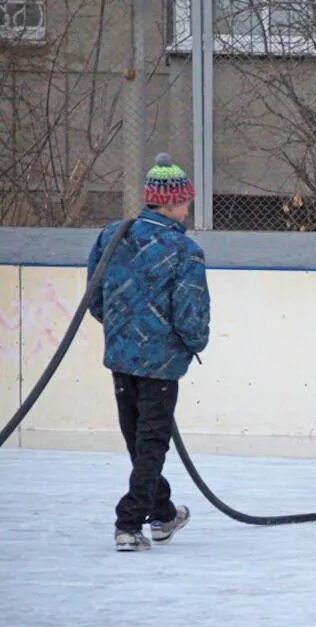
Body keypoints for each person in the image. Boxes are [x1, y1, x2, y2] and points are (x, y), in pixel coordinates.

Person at [87, 152, 210, 550]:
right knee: (151, 443)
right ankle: (129, 522)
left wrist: (122, 329)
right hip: (161, 362)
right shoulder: (184, 250)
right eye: (187, 201)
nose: (188, 208)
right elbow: (191, 310)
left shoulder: (113, 235)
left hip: (121, 357)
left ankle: (162, 514)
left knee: (137, 440)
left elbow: (96, 297)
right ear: (173, 202)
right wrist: (193, 344)